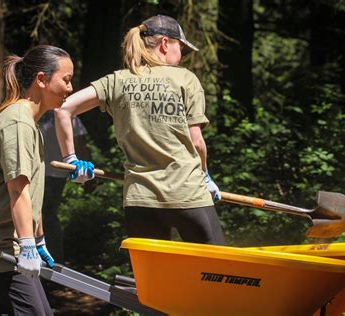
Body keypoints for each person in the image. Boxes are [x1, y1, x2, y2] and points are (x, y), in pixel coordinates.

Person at [55, 15, 226, 245]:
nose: (181, 55)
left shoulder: (117, 80)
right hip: (188, 194)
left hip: (140, 200)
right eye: (180, 47)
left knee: (153, 278)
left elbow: (63, 109)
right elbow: (196, 142)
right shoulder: (186, 79)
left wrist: (72, 159)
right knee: (216, 272)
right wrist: (205, 176)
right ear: (165, 44)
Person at [0, 45, 93, 315]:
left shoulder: (28, 123)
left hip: (4, 241)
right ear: (41, 79)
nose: (71, 87)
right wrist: (28, 245)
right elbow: (18, 191)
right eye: (66, 79)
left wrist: (38, 241)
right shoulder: (19, 123)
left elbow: (33, 193)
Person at [38, 110, 92, 263]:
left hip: (56, 173)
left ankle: (54, 259)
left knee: (46, 214)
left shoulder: (70, 116)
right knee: (35, 213)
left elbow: (81, 145)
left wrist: (88, 176)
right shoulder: (37, 114)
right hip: (36, 172)